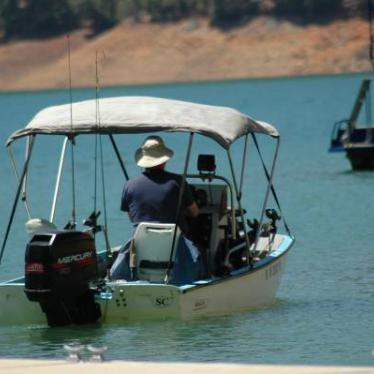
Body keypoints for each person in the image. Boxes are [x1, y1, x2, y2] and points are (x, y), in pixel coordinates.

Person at [111, 135, 202, 284]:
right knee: (199, 247)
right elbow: (194, 212)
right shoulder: (177, 182)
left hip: (142, 251)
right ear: (164, 159)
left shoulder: (129, 185)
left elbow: (132, 218)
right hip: (176, 249)